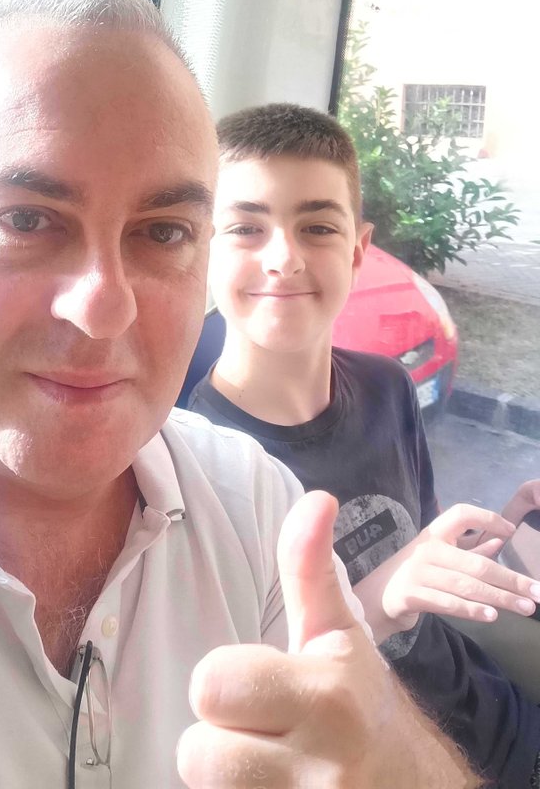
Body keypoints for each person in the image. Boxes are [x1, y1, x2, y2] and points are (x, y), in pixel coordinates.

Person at [0, 0, 481, 788]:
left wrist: (395, 759)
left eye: (163, 232)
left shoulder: (254, 505)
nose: (103, 309)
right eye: (26, 221)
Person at [186, 102, 540, 788]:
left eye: (317, 226)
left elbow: (418, 549)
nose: (284, 257)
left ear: (357, 249)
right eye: (246, 227)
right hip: (387, 761)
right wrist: (381, 599)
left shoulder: (388, 388)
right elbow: (246, 707)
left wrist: (500, 539)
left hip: (494, 713)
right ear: (203, 247)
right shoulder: (198, 466)